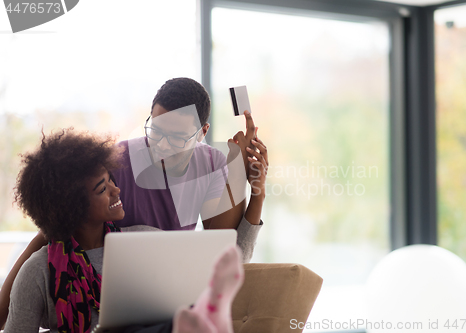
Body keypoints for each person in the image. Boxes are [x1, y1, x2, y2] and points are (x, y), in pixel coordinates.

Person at [0, 78, 269, 328]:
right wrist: (6, 305)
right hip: (107, 292)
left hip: (165, 294)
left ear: (202, 133)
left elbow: (228, 259)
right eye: (156, 130)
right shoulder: (116, 162)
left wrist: (255, 191)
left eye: (177, 138)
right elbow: (59, 224)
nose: (162, 145)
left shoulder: (213, 165)